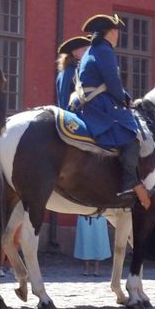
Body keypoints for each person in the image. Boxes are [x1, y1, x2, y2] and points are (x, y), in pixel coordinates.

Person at [71, 15, 148, 207]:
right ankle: (130, 184)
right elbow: (113, 83)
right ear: (111, 32)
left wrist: (124, 96)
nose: (118, 35)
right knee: (132, 135)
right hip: (100, 107)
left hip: (90, 104)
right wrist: (125, 99)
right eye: (117, 31)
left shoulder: (92, 50)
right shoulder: (105, 50)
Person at [48, 36, 91, 251]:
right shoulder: (70, 73)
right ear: (74, 53)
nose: (87, 51)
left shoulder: (72, 70)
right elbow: (66, 102)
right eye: (84, 48)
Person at [74, 210, 112, 276]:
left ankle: (96, 269)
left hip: (98, 217)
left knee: (98, 243)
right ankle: (86, 268)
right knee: (86, 242)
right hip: (85, 217)